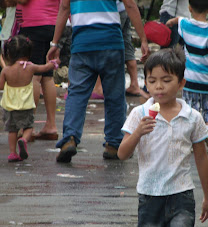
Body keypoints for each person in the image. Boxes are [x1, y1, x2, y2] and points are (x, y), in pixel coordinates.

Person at [118, 47, 208, 227]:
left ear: (181, 83)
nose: (159, 86)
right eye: (152, 81)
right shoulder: (140, 114)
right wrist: (138, 133)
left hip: (182, 194)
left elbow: (201, 158)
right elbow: (122, 154)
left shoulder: (192, 117)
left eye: (166, 80)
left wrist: (207, 197)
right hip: (149, 194)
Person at [47, 0, 149, 163]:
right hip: (111, 43)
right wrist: (143, 39)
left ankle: (69, 139)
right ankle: (114, 144)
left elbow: (64, 7)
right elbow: (130, 5)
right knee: (114, 96)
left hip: (82, 44)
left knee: (76, 95)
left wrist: (55, 43)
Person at [166, 0, 208, 150]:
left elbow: (178, 19)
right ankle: (207, 131)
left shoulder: (185, 24)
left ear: (189, 7)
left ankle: (190, 137)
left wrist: (170, 22)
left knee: (190, 108)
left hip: (190, 79)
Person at [0, 35, 58, 162]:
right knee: (28, 127)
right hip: (26, 104)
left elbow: (0, 86)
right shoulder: (30, 67)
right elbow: (44, 68)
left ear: (8, 53)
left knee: (12, 130)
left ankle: (12, 153)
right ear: (28, 52)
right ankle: (24, 139)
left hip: (10, 105)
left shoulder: (6, 71)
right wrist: (52, 64)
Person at [17, 0, 60, 141]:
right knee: (47, 76)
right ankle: (51, 125)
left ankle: (27, 127)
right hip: (53, 25)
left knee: (33, 76)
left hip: (33, 24)